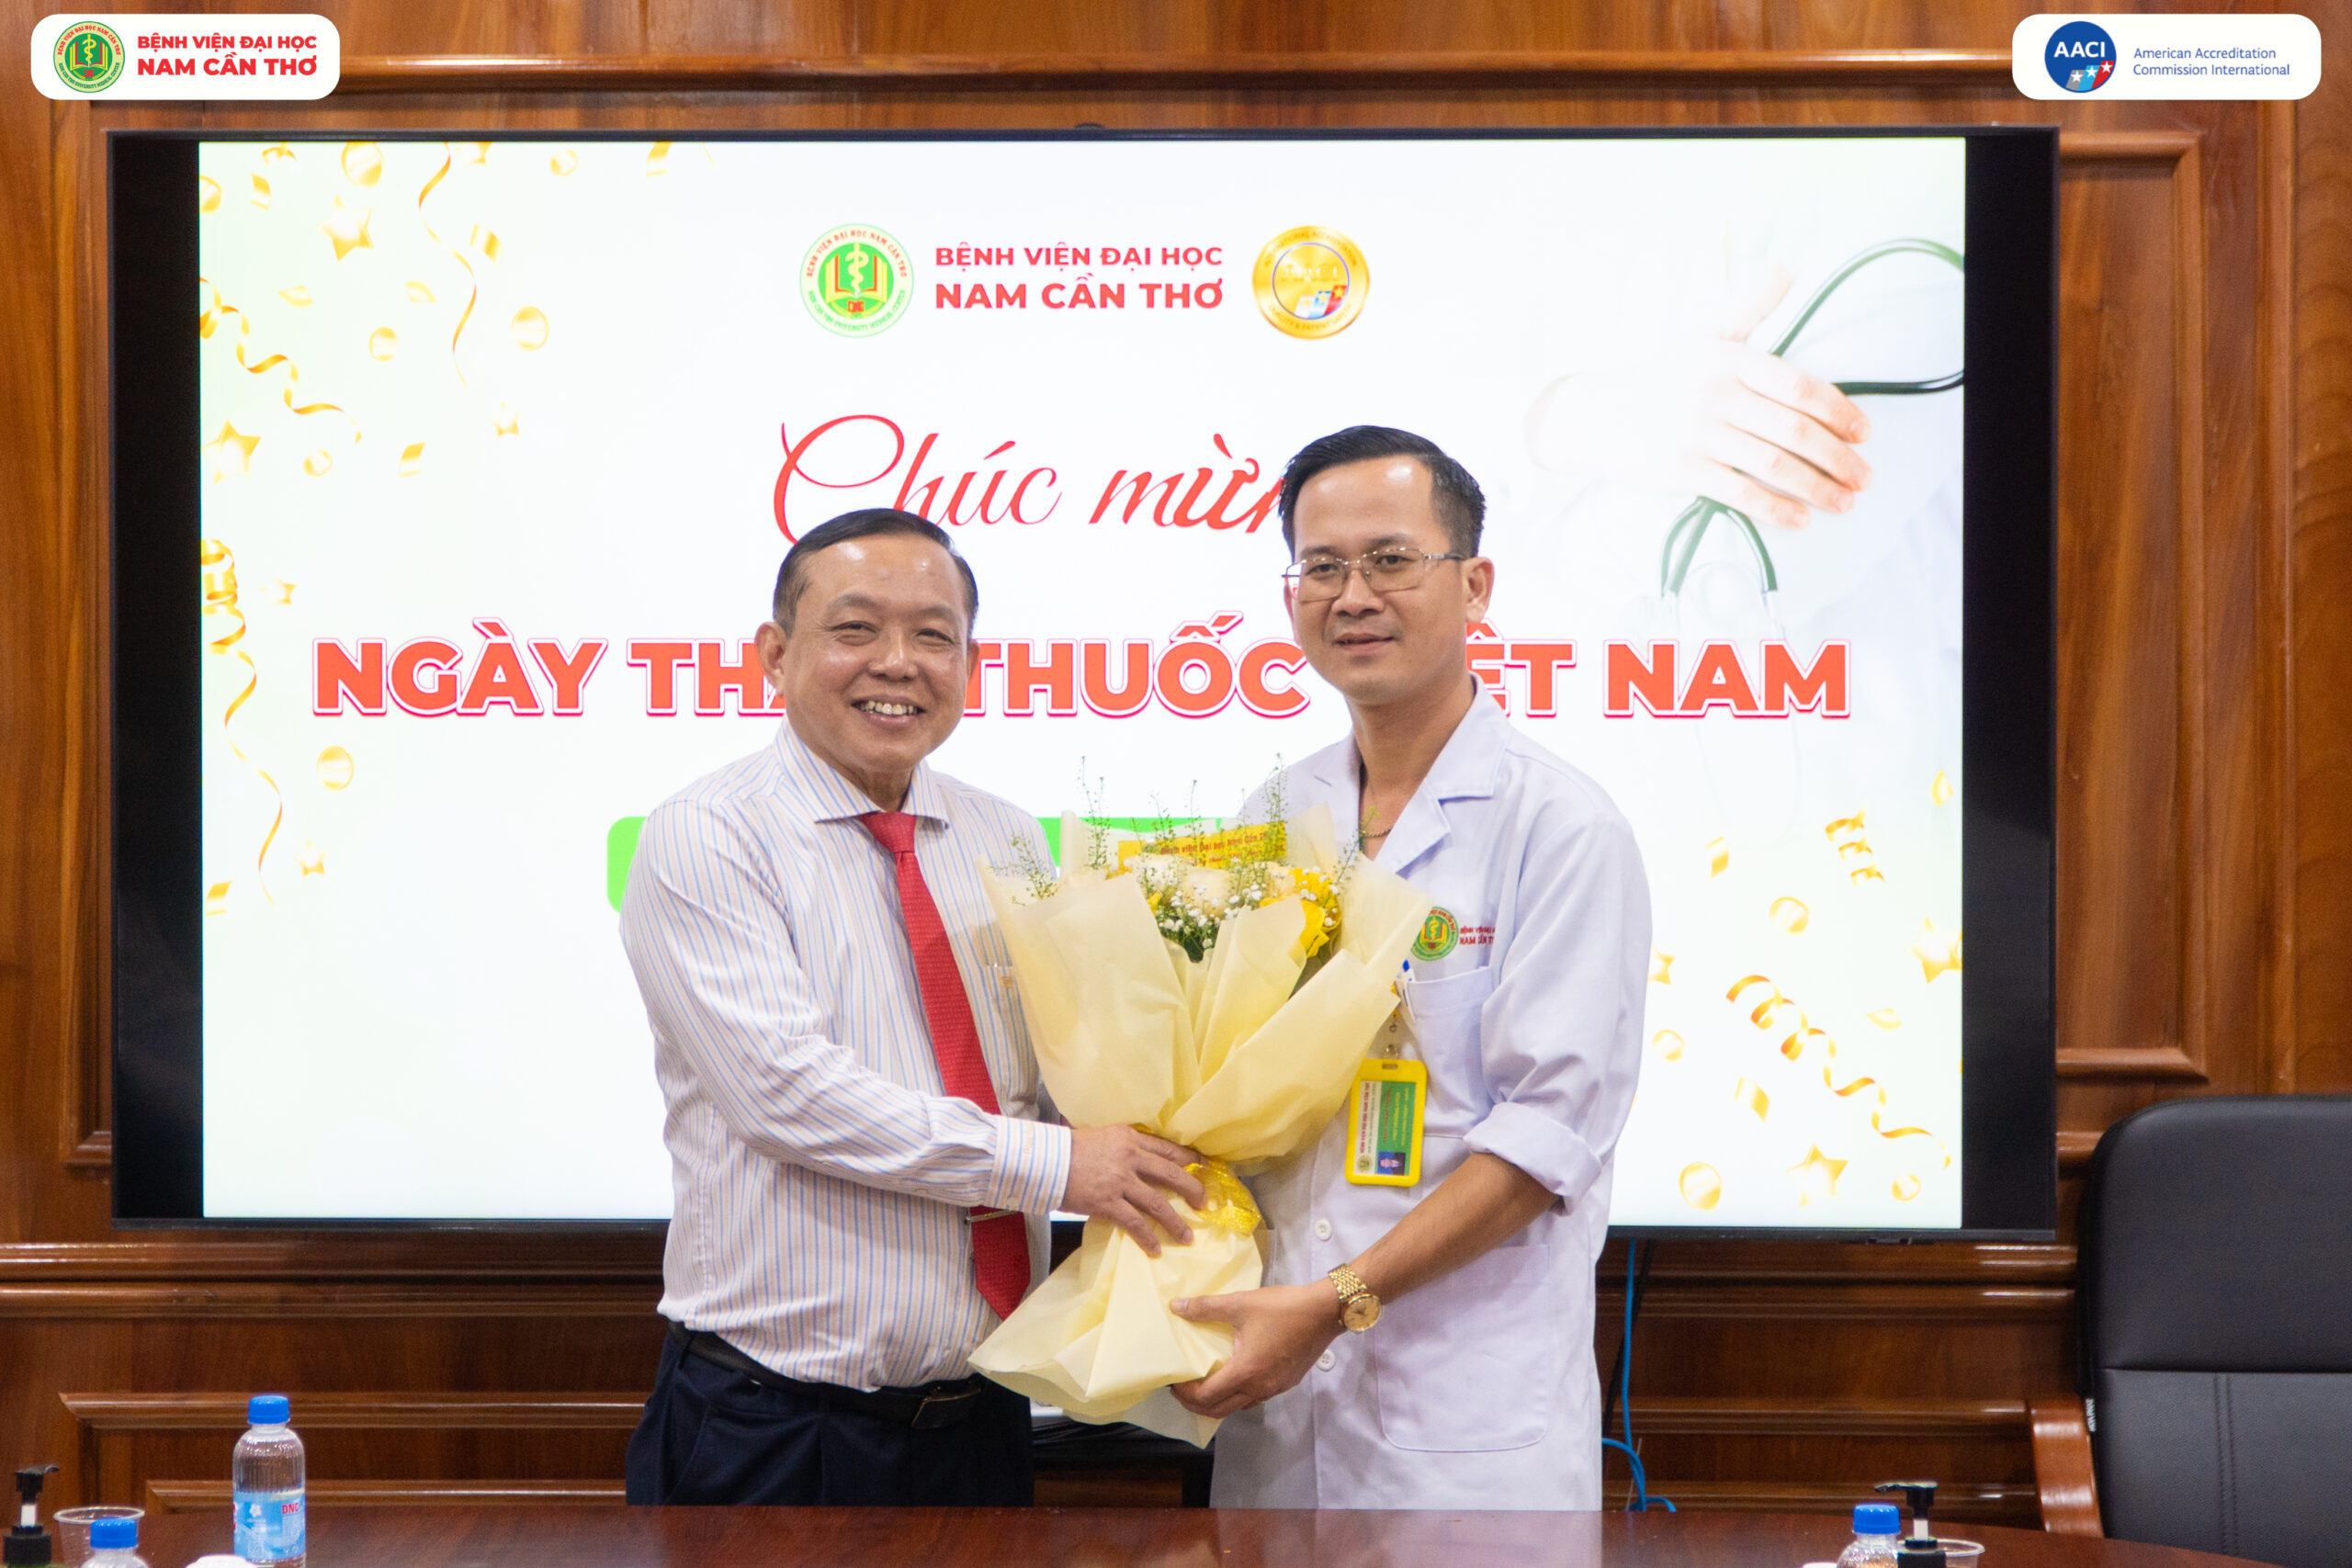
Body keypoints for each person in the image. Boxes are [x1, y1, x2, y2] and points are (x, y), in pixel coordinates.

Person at [619, 508, 1204, 1507]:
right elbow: (788, 1096)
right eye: (855, 628)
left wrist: (1190, 1116)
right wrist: (1064, 1163)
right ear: (774, 653)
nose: (897, 662)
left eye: (934, 635)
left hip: (983, 1417)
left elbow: (1056, 1073)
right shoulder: (707, 836)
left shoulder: (1004, 837)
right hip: (777, 1426)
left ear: (970, 662)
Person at [1169, 428, 1649, 1509]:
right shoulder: (1275, 813)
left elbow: (1546, 1138)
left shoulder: (1560, 827)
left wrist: (1336, 1300)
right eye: (1321, 566)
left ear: (1474, 586)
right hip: (1278, 1399)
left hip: (1464, 1422)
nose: (1353, 596)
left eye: (1390, 560)